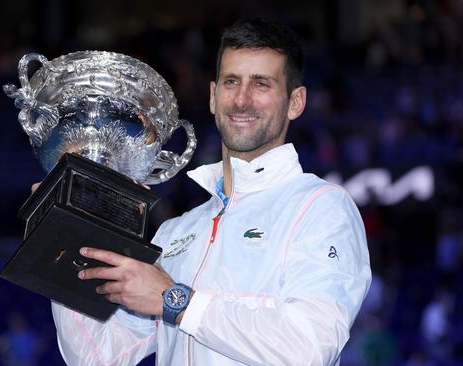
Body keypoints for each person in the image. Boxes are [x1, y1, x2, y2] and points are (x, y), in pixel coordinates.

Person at [50, 17, 371, 365]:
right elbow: (97, 357)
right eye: (232, 82)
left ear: (295, 102)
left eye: (261, 84)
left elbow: (308, 349)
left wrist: (175, 300)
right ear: (214, 97)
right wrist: (67, 228)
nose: (242, 99)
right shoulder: (177, 232)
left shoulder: (320, 207)